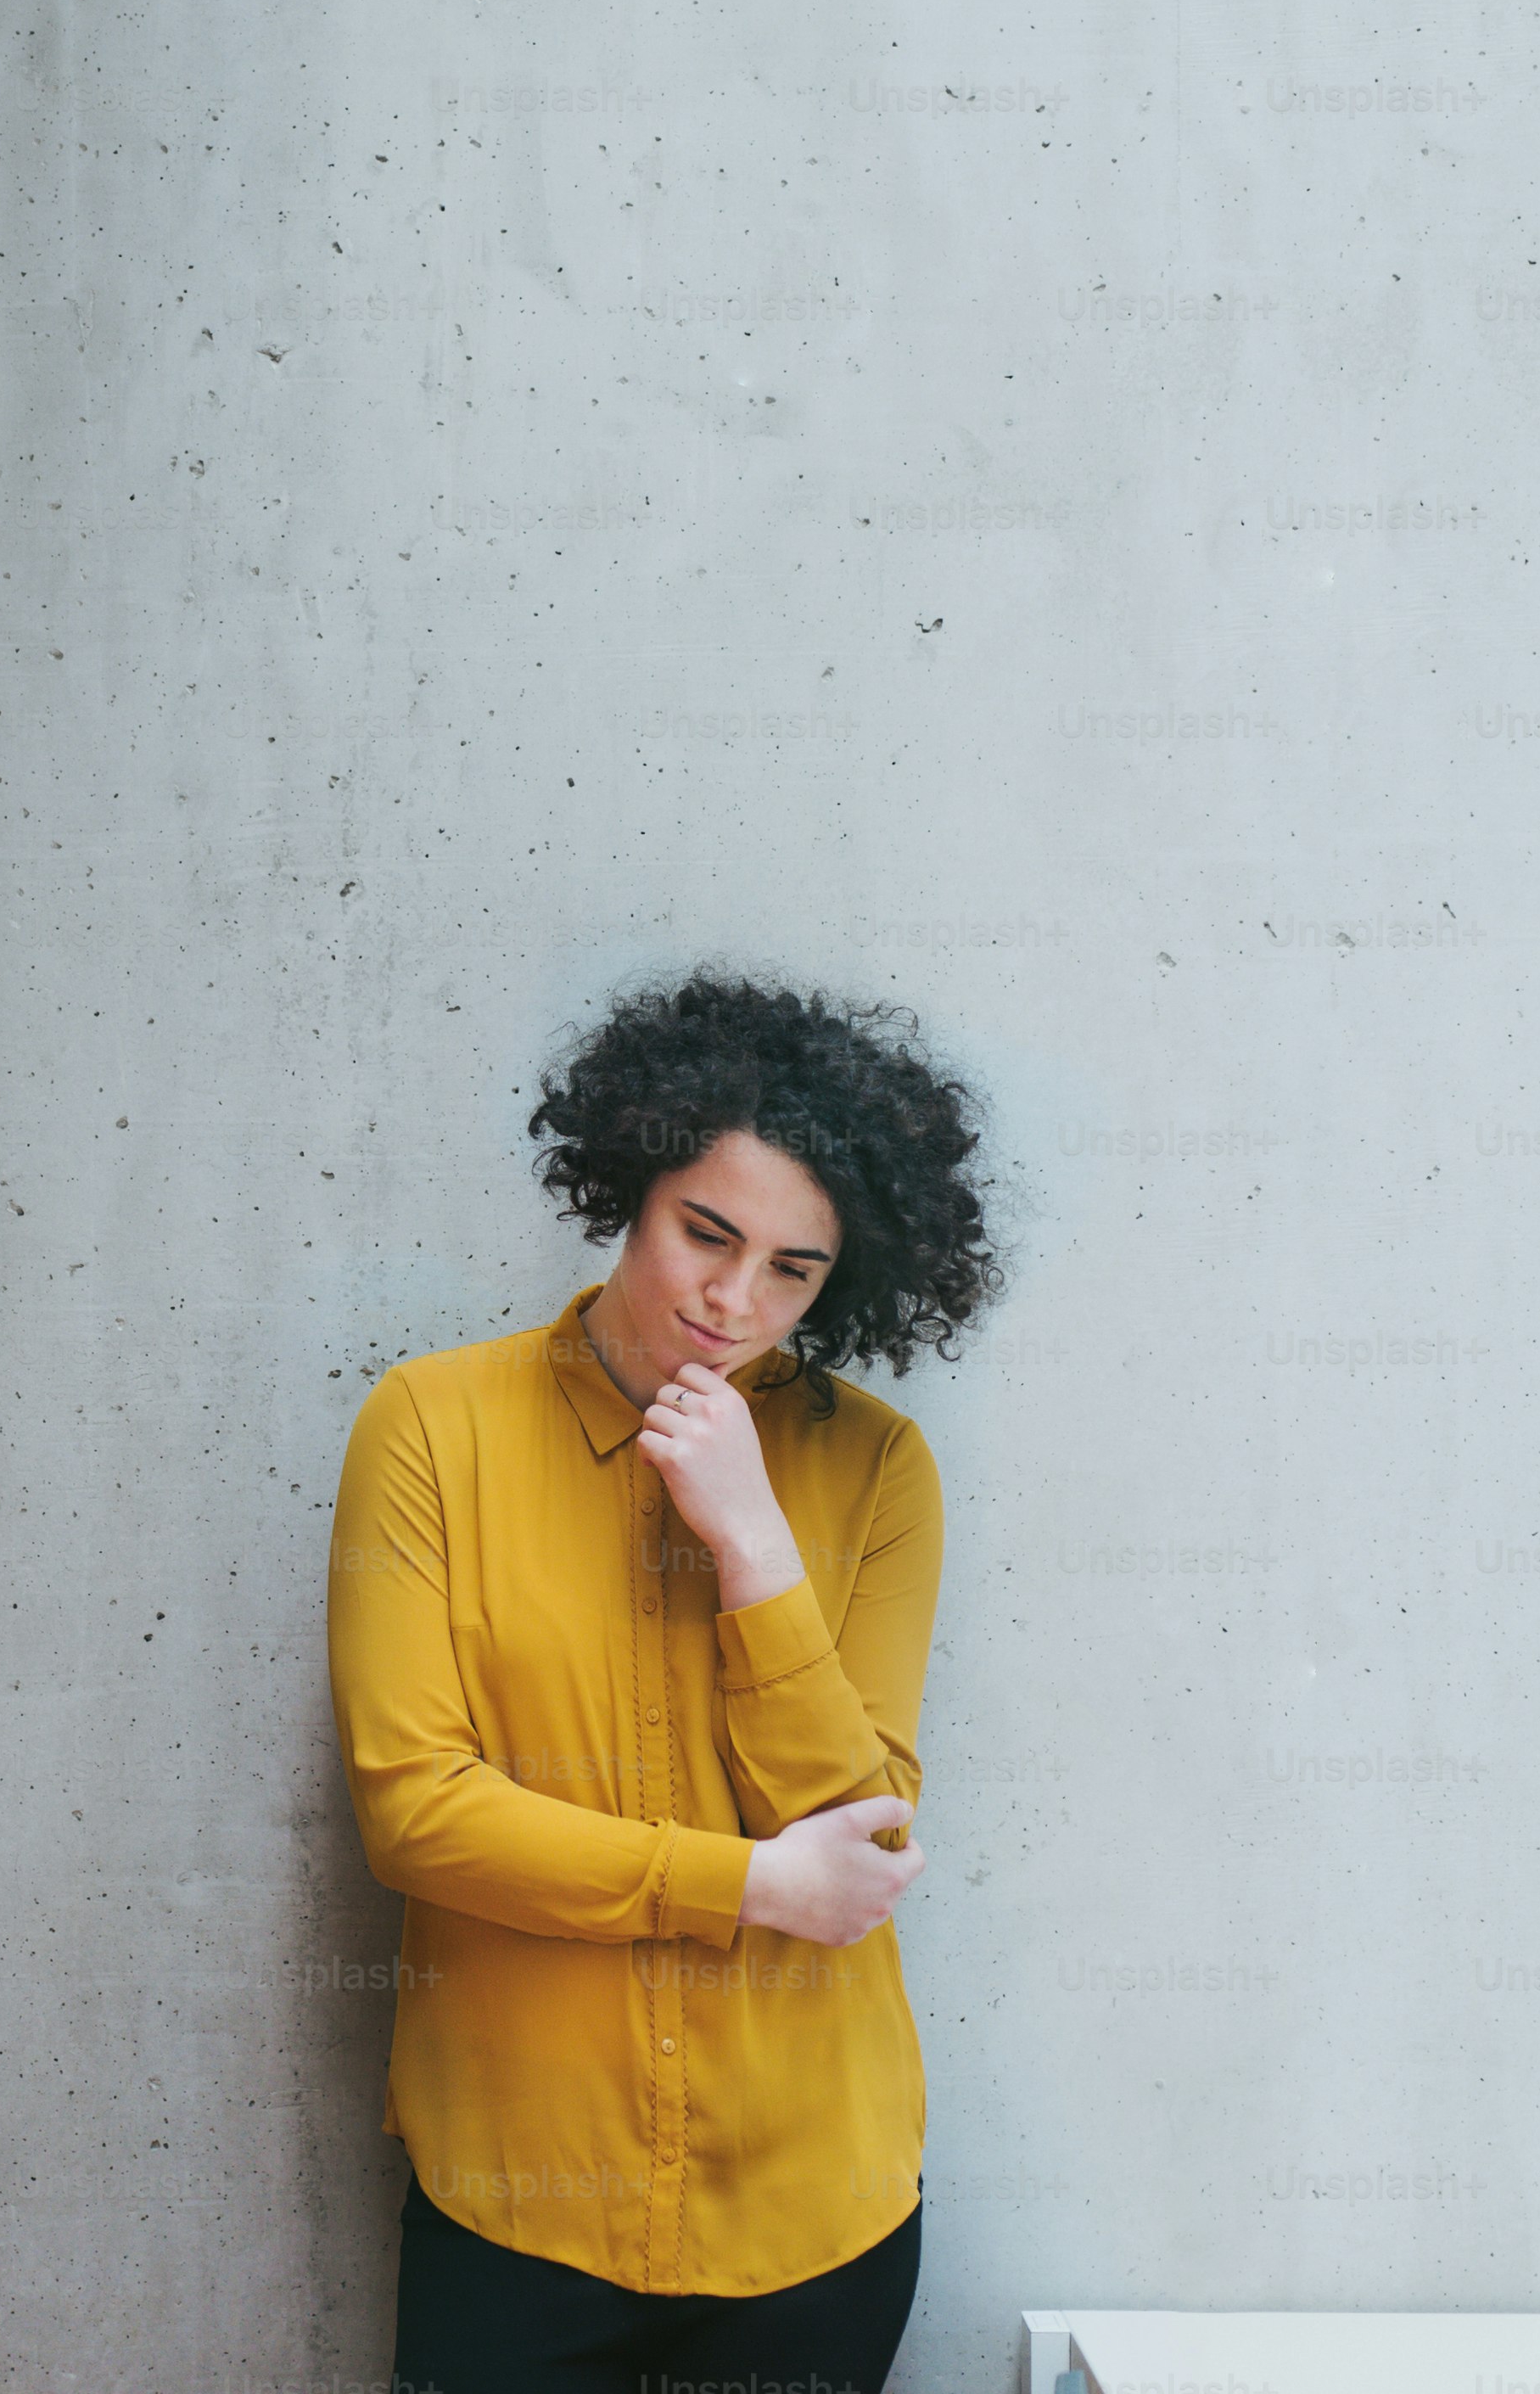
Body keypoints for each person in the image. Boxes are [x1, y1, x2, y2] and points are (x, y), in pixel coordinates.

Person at [327, 968, 1005, 2394]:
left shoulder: (876, 1468)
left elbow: (858, 1832)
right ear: (633, 1188)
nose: (733, 1298)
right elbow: (419, 1815)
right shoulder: (429, 1428)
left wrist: (755, 1543)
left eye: (794, 1270)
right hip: (517, 2196)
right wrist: (750, 1887)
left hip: (812, 2211)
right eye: (707, 1232)